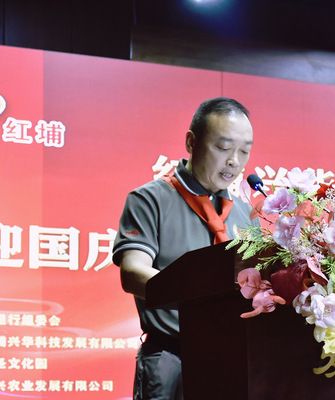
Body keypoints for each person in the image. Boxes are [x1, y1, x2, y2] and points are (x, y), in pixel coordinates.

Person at [112, 97, 259, 400]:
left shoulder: (247, 215)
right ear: (192, 142)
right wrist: (201, 300)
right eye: (224, 147)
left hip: (235, 363)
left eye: (244, 151)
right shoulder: (150, 199)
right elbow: (133, 272)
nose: (235, 161)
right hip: (171, 358)